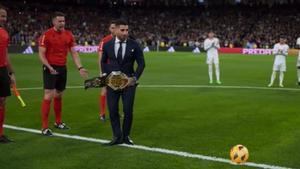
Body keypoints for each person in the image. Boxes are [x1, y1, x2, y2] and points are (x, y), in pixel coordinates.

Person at [38, 12, 88, 136]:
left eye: (63, 21)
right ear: (54, 22)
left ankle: (58, 122)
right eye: (59, 21)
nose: (62, 23)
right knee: (48, 95)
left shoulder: (69, 35)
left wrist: (80, 67)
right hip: (50, 67)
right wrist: (48, 67)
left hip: (62, 68)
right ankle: (44, 127)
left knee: (59, 95)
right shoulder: (46, 35)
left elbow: (74, 53)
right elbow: (41, 54)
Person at [101, 19, 145, 146]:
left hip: (128, 84)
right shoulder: (107, 45)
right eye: (122, 30)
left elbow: (142, 64)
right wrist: (108, 75)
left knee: (128, 110)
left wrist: (134, 78)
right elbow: (103, 62)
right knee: (113, 110)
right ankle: (116, 136)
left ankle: (126, 136)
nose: (125, 32)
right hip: (112, 83)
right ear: (115, 30)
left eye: (127, 30)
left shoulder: (134, 44)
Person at [0, 5, 16, 143]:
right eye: (1, 16)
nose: (4, 19)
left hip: (2, 70)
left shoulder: (4, 33)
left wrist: (11, 72)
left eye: (5, 16)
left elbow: (5, 54)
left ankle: (0, 134)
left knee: (2, 101)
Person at [98, 20, 116, 121]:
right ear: (109, 29)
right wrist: (101, 71)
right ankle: (102, 113)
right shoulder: (104, 41)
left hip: (117, 69)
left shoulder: (121, 40)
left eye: (115, 27)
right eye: (112, 28)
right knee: (104, 90)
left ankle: (114, 112)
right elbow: (100, 58)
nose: (114, 29)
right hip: (107, 68)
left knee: (116, 91)